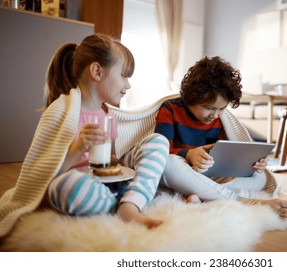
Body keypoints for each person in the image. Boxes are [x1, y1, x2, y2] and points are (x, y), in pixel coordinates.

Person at [0, 34, 169, 237]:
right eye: (124, 75)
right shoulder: (60, 111)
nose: (128, 85)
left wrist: (117, 164)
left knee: (157, 142)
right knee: (66, 187)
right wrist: (77, 148)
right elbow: (45, 174)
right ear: (97, 71)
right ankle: (124, 203)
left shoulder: (107, 114)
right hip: (81, 184)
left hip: (110, 181)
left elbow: (112, 160)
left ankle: (129, 204)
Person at [155, 56, 287, 218]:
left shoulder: (220, 119)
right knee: (168, 165)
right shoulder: (170, 109)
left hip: (207, 176)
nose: (215, 115)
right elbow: (159, 151)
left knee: (259, 177)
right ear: (191, 97)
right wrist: (189, 154)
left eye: (222, 109)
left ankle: (203, 196)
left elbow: (224, 155)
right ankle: (248, 202)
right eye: (208, 108)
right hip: (182, 172)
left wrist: (252, 164)